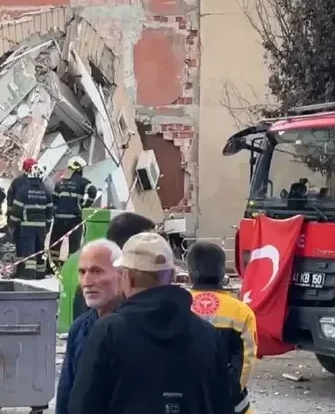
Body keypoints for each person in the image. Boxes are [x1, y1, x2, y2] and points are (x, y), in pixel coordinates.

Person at [68, 232, 236, 414]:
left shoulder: (108, 332)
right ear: (171, 275)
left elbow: (82, 407)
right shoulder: (208, 335)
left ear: (127, 277)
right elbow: (223, 405)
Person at [188, 241, 257, 414]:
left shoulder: (177, 305)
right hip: (230, 403)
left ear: (190, 272)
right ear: (222, 272)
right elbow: (245, 361)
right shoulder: (241, 311)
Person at [56, 238, 123, 414]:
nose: (87, 281)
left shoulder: (134, 328)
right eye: (82, 272)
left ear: (122, 274)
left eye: (96, 271)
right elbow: (66, 394)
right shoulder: (80, 327)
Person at [49, 156, 97, 269]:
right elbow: (93, 191)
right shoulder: (82, 182)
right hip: (74, 219)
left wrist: (56, 211)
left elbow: (53, 200)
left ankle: (53, 267)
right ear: (79, 169)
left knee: (55, 244)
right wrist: (85, 206)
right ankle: (70, 268)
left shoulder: (60, 183)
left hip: (59, 219)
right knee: (74, 245)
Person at [7, 164, 53, 279]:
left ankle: (29, 276)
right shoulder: (46, 191)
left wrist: (12, 224)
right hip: (41, 227)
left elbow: (16, 210)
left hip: (27, 227)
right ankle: (40, 275)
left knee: (29, 252)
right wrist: (47, 226)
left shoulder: (23, 191)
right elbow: (49, 211)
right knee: (39, 251)